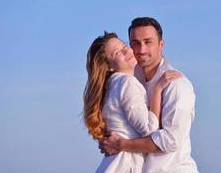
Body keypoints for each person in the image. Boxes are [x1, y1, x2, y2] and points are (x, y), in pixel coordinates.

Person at [102, 17, 199, 173]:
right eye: (135, 43)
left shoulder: (176, 85)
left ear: (161, 45)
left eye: (148, 42)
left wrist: (121, 145)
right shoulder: (131, 79)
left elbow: (170, 141)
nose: (141, 50)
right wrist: (108, 139)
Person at [83, 32, 181, 173]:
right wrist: (157, 91)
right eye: (117, 53)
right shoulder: (126, 82)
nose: (126, 51)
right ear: (109, 67)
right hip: (126, 165)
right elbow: (149, 129)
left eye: (124, 45)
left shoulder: (111, 86)